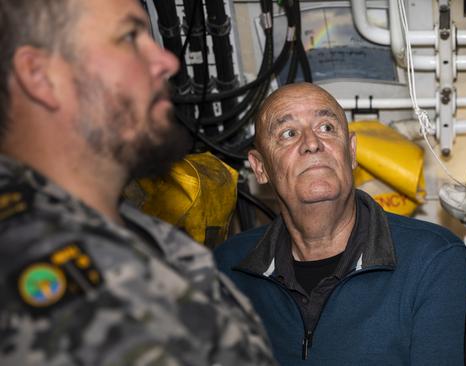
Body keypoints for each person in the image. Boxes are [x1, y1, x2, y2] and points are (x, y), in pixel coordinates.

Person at [0, 0, 275, 364]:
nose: (167, 62)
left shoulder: (129, 230)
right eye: (130, 36)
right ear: (40, 76)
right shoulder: (33, 263)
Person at [214, 82, 466, 365]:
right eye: (288, 133)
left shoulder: (432, 260)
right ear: (260, 167)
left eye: (327, 127)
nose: (311, 143)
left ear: (351, 151)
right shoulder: (227, 269)